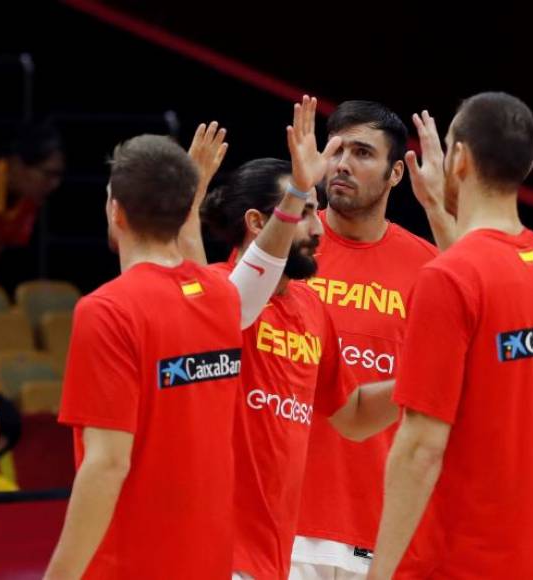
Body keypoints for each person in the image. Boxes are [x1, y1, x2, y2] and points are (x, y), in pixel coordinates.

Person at [369, 91, 533, 578]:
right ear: (526, 165)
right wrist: (438, 208)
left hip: (464, 559)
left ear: (459, 158)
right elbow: (486, 275)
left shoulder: (447, 279)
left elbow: (421, 447)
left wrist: (379, 572)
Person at [185, 97, 399, 579]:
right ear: (259, 224)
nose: (316, 227)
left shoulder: (310, 308)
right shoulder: (218, 297)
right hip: (219, 554)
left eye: (314, 210)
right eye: (304, 212)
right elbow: (247, 287)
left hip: (274, 555)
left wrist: (432, 375)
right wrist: (299, 185)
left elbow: (355, 416)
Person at [45, 134, 245, 579]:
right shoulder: (221, 297)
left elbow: (108, 463)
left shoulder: (107, 312)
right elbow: (191, 273)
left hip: (129, 565)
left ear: (116, 211)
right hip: (208, 562)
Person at [291, 101, 442, 580]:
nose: (342, 164)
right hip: (282, 527)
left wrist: (440, 205)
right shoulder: (282, 253)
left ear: (396, 172)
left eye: (362, 153)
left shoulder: (430, 268)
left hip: (383, 536)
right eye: (335, 149)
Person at [0, 121, 64, 284]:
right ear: (15, 165)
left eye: (58, 176)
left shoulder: (27, 202)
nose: (55, 184)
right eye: (48, 174)